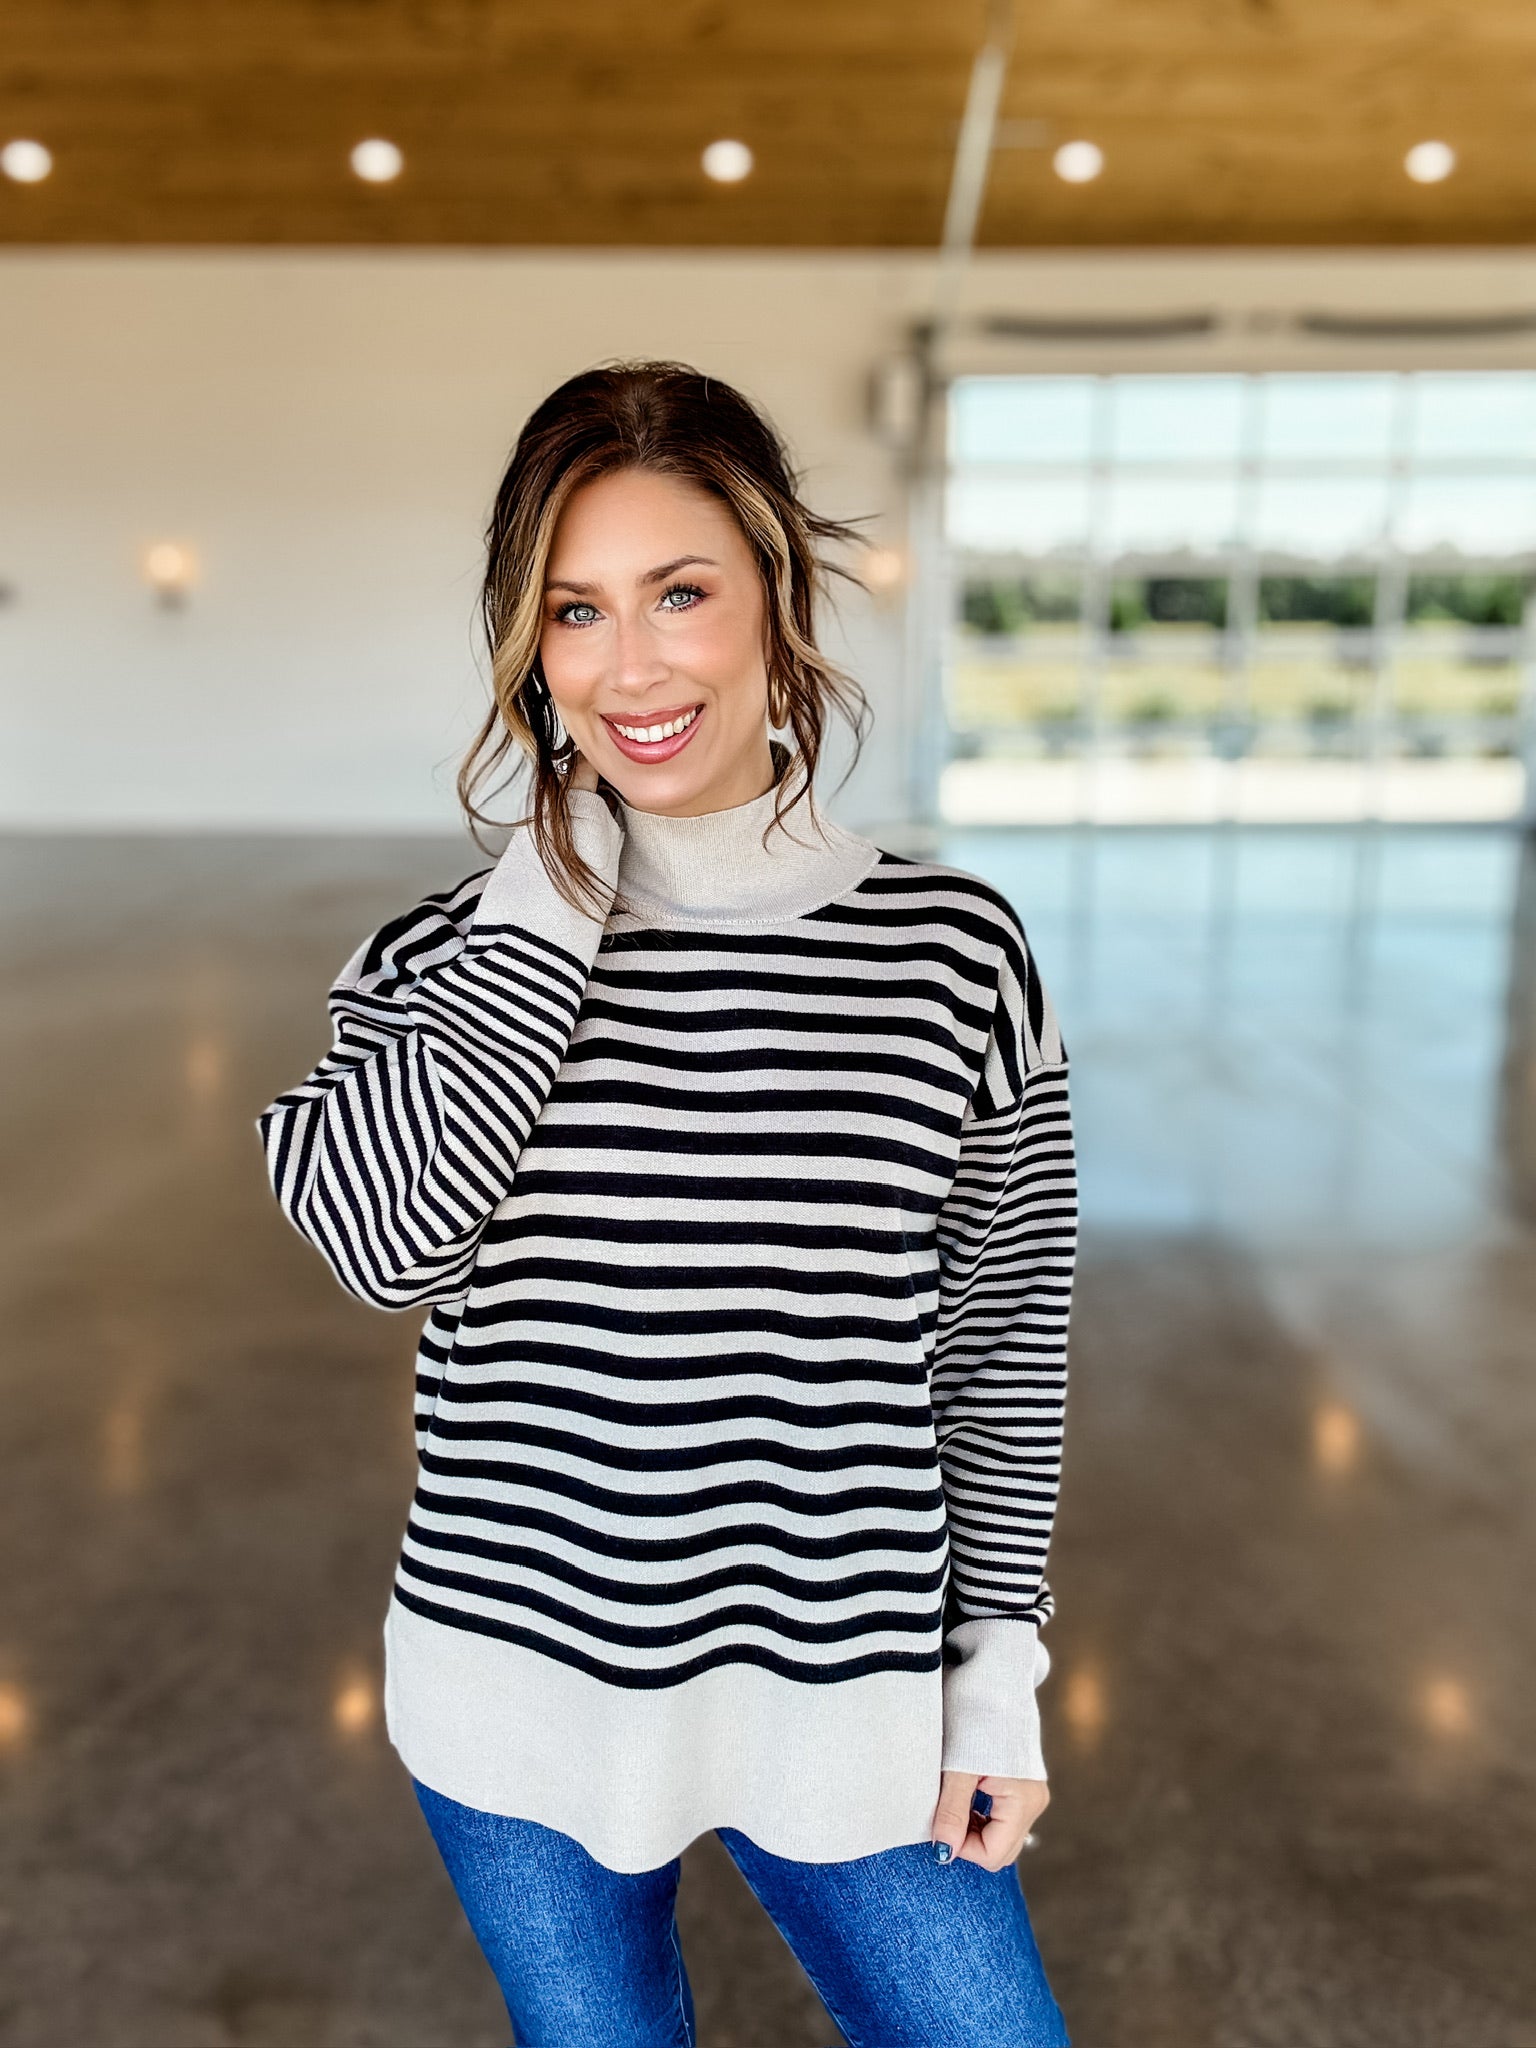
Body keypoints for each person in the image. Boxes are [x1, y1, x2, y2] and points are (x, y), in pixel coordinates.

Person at [257, 360, 1077, 2048]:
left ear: (778, 597)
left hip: (846, 1689)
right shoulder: (444, 955)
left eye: (680, 593)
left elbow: (1001, 1340)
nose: (630, 667)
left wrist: (996, 1678)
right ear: (529, 649)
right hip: (516, 1692)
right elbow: (385, 1241)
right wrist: (549, 903)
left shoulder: (951, 955)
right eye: (576, 612)